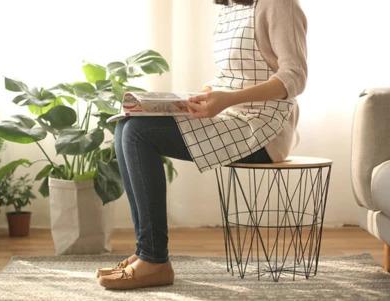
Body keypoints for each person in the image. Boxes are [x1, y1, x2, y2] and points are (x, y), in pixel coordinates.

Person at [98, 0, 307, 290]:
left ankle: (155, 259)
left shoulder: (278, 4)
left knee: (137, 133)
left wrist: (227, 100)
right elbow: (236, 74)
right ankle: (147, 252)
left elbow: (295, 77)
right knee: (127, 123)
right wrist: (203, 95)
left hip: (264, 127)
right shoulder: (231, 8)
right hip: (234, 115)